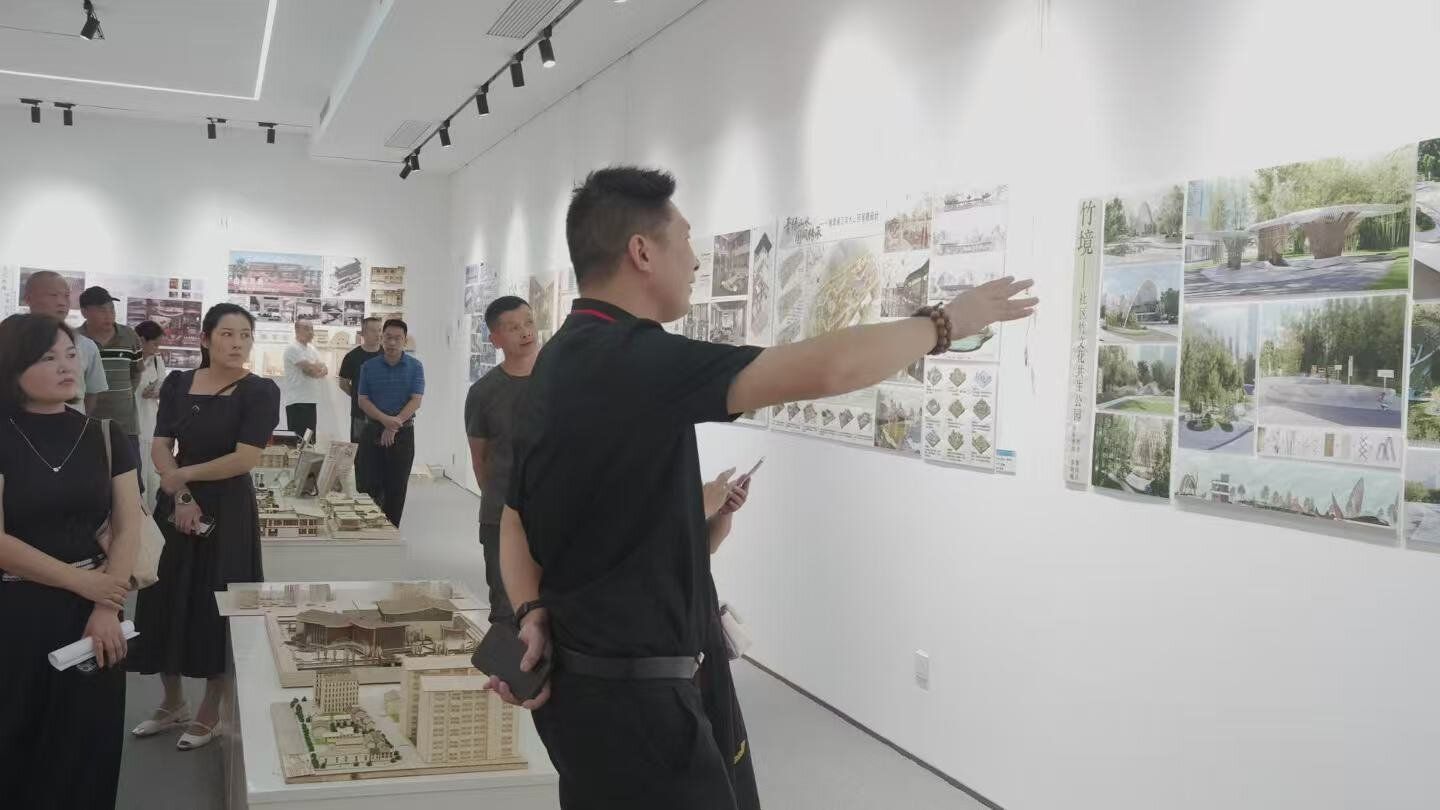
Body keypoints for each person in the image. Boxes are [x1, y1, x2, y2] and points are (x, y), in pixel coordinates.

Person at [492, 167, 1036, 809]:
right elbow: (827, 369)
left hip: (587, 690)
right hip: (638, 708)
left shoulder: (559, 360)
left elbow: (516, 516)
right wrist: (945, 323)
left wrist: (530, 610)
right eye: (685, 240)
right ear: (642, 252)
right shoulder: (632, 357)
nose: (696, 260)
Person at [0, 313, 140, 809]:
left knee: (87, 744)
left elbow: (128, 527)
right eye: (47, 357)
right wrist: (85, 585)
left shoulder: (105, 434)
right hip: (17, 612)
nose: (66, 366)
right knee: (18, 741)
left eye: (70, 353)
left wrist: (106, 605)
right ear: (13, 368)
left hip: (96, 615)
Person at [128, 303, 280, 751]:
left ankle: (212, 709)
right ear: (206, 339)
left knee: (218, 601)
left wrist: (183, 476)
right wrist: (180, 493)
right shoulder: (178, 383)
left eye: (245, 335)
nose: (237, 343)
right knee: (163, 596)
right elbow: (160, 445)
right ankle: (172, 701)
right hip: (177, 503)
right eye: (227, 334)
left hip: (227, 507)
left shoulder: (260, 391)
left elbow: (245, 458)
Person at [463, 296, 538, 625]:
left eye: (528, 322)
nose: (525, 332)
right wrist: (503, 503)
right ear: (495, 339)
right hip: (502, 517)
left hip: (555, 514)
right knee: (507, 610)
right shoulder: (484, 392)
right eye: (513, 327)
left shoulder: (561, 381)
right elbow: (480, 460)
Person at [357, 319, 424, 528]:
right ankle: (368, 531)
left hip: (403, 433)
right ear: (381, 338)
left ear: (405, 341)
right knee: (367, 484)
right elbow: (363, 400)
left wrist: (394, 425)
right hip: (373, 430)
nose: (392, 343)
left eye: (397, 338)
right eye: (388, 337)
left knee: (396, 487)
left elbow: (416, 400)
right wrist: (385, 420)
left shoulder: (415, 367)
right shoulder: (368, 367)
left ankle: (391, 533)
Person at [78, 286, 145, 484]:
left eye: (111, 309)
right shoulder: (75, 340)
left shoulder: (129, 336)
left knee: (131, 482)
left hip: (125, 425)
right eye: (101, 310)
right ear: (84, 312)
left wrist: (124, 395)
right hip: (86, 424)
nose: (109, 315)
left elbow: (136, 372)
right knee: (90, 481)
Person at [21, 270, 107, 413]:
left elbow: (91, 394)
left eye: (66, 296)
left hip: (72, 423)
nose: (62, 302)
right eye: (53, 295)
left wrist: (80, 421)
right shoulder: (10, 340)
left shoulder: (86, 345)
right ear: (28, 298)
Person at [337, 316, 383, 490]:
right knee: (360, 454)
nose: (378, 334)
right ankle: (362, 491)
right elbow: (343, 383)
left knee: (381, 455)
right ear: (363, 333)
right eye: (373, 330)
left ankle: (378, 493)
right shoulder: (352, 357)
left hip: (383, 415)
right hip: (360, 415)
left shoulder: (386, 355)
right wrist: (359, 399)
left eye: (380, 330)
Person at [134, 320, 169, 510]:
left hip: (151, 425)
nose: (157, 349)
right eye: (155, 344)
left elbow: (163, 386)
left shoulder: (157, 361)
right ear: (141, 340)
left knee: (153, 477)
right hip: (132, 424)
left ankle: (153, 518)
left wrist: (156, 392)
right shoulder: (129, 360)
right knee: (136, 477)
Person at [282, 319, 326, 442]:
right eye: (306, 329)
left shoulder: (311, 348)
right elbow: (310, 370)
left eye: (312, 329)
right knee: (298, 441)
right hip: (297, 402)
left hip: (311, 400)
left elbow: (324, 368)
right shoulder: (293, 348)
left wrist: (315, 368)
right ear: (297, 330)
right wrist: (315, 368)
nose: (311, 332)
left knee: (310, 442)